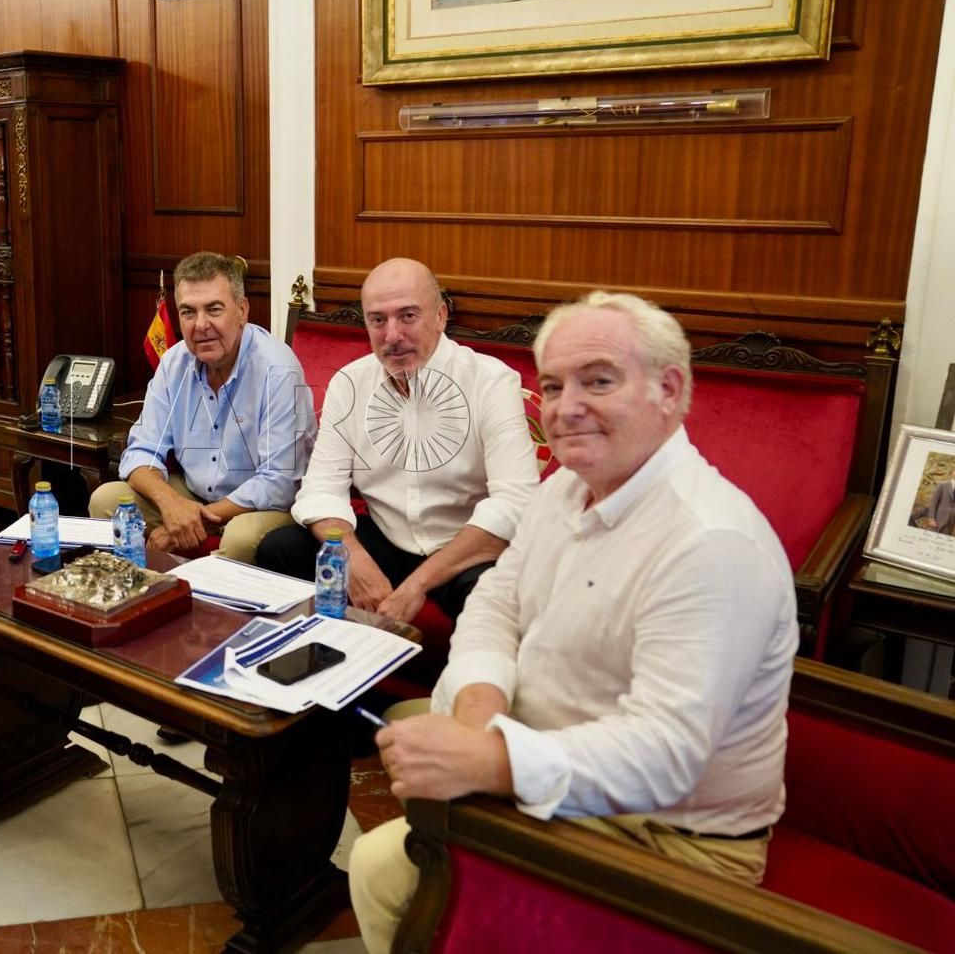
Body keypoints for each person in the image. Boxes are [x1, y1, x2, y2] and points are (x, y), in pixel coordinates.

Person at [347, 291, 798, 954]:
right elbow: (498, 601)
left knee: (382, 868)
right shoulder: (566, 485)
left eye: (599, 381)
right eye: (553, 386)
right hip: (561, 746)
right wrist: (479, 708)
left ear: (669, 390)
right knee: (403, 729)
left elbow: (663, 757)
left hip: (667, 834)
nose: (566, 407)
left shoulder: (710, 542)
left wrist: (490, 757)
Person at [255, 258, 539, 623]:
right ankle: (320, 664)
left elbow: (515, 503)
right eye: (378, 320)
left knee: (496, 601)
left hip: (463, 548)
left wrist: (417, 584)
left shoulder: (491, 381)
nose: (392, 335)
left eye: (408, 316)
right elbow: (320, 490)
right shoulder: (350, 383)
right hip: (386, 536)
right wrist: (352, 559)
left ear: (440, 315)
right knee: (279, 550)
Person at [88, 251, 315, 562]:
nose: (200, 325)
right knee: (107, 500)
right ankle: (142, 597)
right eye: (188, 312)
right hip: (193, 494)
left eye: (214, 309)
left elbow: (278, 483)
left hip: (262, 508)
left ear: (242, 310)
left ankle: (215, 610)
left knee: (240, 537)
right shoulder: (174, 362)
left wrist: (192, 520)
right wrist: (171, 504)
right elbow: (141, 452)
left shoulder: (278, 370)